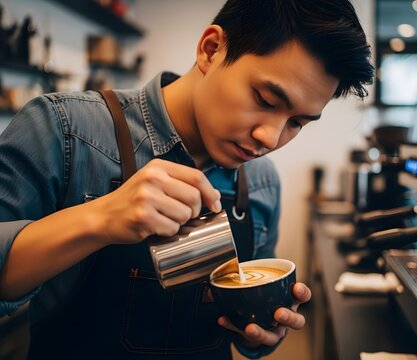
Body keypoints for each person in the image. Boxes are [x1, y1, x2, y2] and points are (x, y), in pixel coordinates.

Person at [0, 0, 373, 358]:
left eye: (296, 123)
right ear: (211, 50)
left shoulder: (260, 183)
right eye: (265, 99)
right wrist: (100, 219)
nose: (270, 139)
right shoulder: (64, 131)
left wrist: (262, 331)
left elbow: (247, 333)